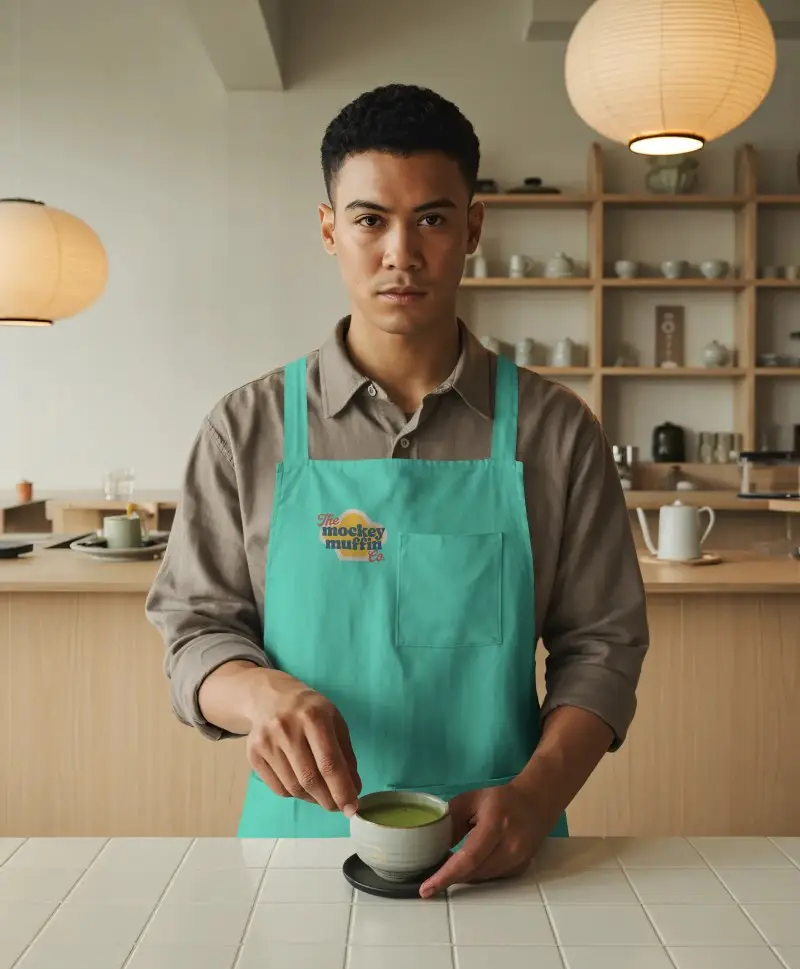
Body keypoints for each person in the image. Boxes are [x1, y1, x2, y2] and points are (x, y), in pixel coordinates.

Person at [146, 82, 649, 898]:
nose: (401, 255)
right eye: (370, 219)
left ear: (474, 228)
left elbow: (602, 646)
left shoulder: (556, 434)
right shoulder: (246, 430)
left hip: (501, 839)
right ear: (329, 229)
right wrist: (258, 694)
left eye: (433, 219)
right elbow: (194, 633)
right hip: (296, 851)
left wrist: (538, 794)